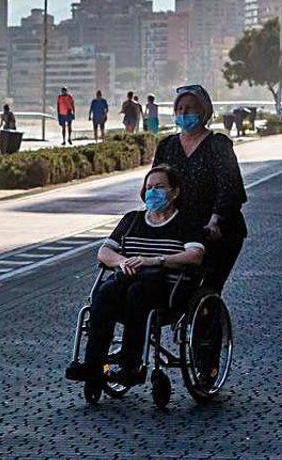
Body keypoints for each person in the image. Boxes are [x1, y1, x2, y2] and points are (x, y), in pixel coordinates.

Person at [65, 165, 207, 385]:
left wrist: (154, 260)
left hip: (167, 290)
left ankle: (131, 365)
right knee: (105, 292)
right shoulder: (132, 220)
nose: (152, 192)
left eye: (159, 187)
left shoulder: (186, 222)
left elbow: (195, 255)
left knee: (137, 293)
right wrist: (123, 261)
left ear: (175, 192)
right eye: (149, 187)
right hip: (127, 281)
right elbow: (104, 252)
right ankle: (92, 364)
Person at [153, 85, 247, 294]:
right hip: (180, 229)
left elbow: (229, 188)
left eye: (190, 108)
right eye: (180, 109)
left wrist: (215, 220)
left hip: (216, 230)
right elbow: (155, 183)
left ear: (203, 112)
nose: (184, 113)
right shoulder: (167, 145)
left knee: (206, 291)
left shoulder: (218, 145)